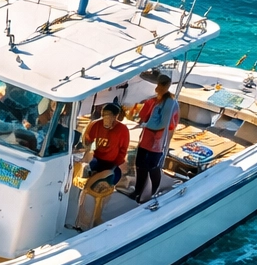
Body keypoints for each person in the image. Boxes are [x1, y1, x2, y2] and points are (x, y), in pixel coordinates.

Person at [73, 102, 131, 229]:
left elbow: (123, 150)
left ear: (116, 116)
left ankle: (97, 217)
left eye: (110, 115)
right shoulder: (96, 125)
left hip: (112, 164)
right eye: (104, 114)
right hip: (97, 159)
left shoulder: (122, 130)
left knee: (102, 187)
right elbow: (90, 142)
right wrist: (87, 152)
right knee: (86, 184)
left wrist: (113, 167)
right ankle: (81, 214)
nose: (106, 118)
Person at [131, 74, 180, 202]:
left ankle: (153, 193)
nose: (159, 87)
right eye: (159, 84)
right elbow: (142, 116)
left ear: (167, 86)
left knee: (153, 167)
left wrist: (145, 124)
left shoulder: (170, 103)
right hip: (146, 138)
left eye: (162, 85)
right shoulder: (152, 101)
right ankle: (138, 191)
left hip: (159, 142)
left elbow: (165, 123)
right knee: (140, 165)